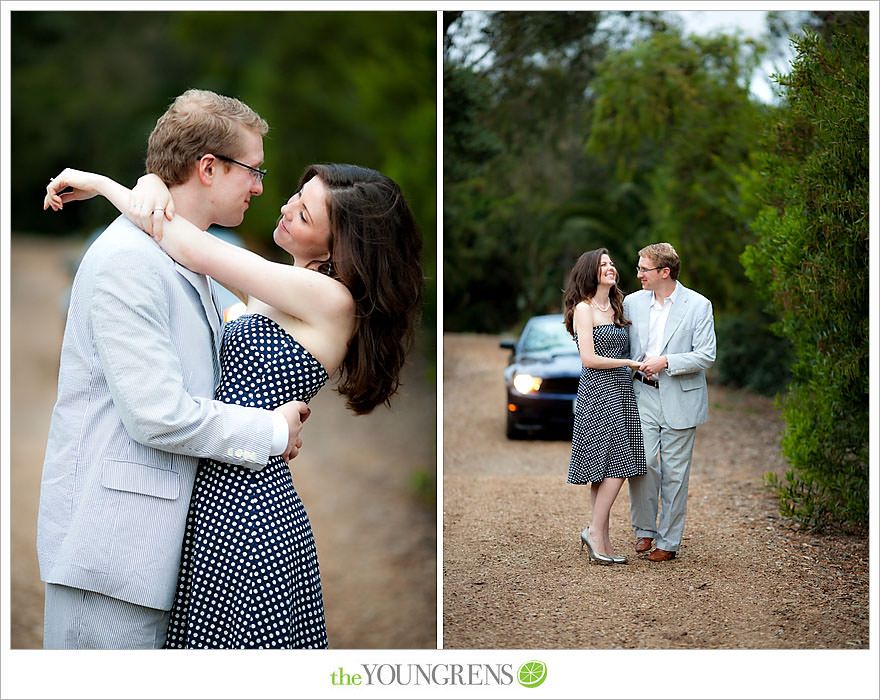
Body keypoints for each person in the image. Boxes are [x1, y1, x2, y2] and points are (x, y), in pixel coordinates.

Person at [43, 158, 424, 647]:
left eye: (305, 215)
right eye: (295, 197)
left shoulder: (329, 298)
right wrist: (153, 183)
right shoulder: (285, 286)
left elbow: (187, 246)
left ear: (340, 246)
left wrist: (102, 184)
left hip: (246, 515)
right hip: (221, 490)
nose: (285, 210)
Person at [36, 89, 311, 650]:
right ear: (208, 168)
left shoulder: (181, 253)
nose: (261, 186)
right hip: (111, 553)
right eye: (253, 171)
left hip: (155, 553)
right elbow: (158, 415)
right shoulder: (127, 262)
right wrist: (273, 432)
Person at [624, 242, 716, 562]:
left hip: (681, 394)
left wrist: (666, 361)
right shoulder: (633, 303)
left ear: (665, 272)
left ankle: (668, 541)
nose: (638, 275)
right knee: (644, 462)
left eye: (643, 269)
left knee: (676, 472)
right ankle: (644, 530)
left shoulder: (698, 305)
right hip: (641, 393)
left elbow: (706, 355)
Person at [562, 249, 647, 566]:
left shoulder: (617, 306)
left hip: (622, 391)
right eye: (603, 265)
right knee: (619, 463)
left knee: (609, 466)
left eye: (612, 264)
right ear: (589, 272)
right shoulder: (584, 309)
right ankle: (595, 532)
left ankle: (603, 541)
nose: (611, 268)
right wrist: (628, 362)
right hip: (598, 391)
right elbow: (588, 359)